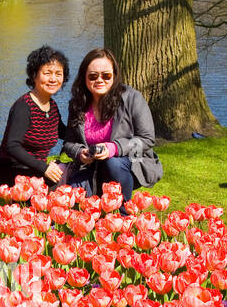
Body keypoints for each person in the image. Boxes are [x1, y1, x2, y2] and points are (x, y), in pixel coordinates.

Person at [63, 47, 163, 211]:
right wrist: (80, 153)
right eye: (93, 76)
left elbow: (147, 140)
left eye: (106, 75)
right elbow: (69, 143)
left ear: (114, 75)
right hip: (90, 164)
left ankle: (123, 215)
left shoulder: (132, 98)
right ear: (84, 78)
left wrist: (113, 148)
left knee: (113, 163)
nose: (99, 80)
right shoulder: (77, 104)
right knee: (75, 206)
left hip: (130, 161)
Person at [0, 46, 78, 191]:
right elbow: (13, 146)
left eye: (58, 74)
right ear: (34, 75)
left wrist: (91, 135)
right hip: (11, 170)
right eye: (47, 73)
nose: (53, 79)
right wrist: (44, 168)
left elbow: (65, 133)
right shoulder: (24, 106)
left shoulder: (52, 106)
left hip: (36, 169)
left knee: (76, 172)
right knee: (61, 187)